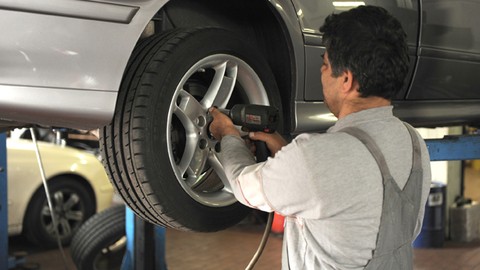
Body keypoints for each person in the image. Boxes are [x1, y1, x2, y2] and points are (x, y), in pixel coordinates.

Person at [209, 5, 431, 270]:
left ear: (346, 80)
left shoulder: (315, 157)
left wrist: (229, 136)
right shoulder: (415, 143)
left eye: (325, 65)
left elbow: (244, 188)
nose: (322, 73)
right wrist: (290, 156)